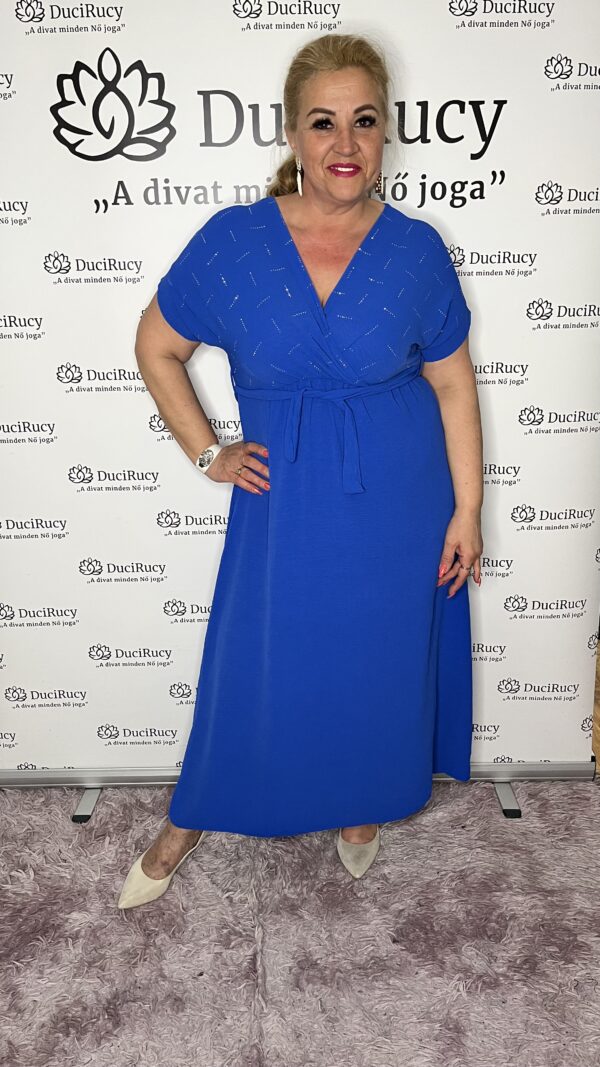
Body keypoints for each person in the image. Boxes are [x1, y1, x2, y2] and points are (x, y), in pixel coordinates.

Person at [117, 32, 483, 909]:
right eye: (324, 123)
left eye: (364, 121)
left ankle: (362, 805)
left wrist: (468, 509)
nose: (345, 144)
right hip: (282, 499)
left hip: (400, 498)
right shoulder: (234, 242)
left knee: (380, 657)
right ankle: (187, 819)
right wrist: (208, 452)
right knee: (254, 661)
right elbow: (156, 346)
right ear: (291, 134)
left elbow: (453, 384)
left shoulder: (417, 248)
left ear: (386, 131)